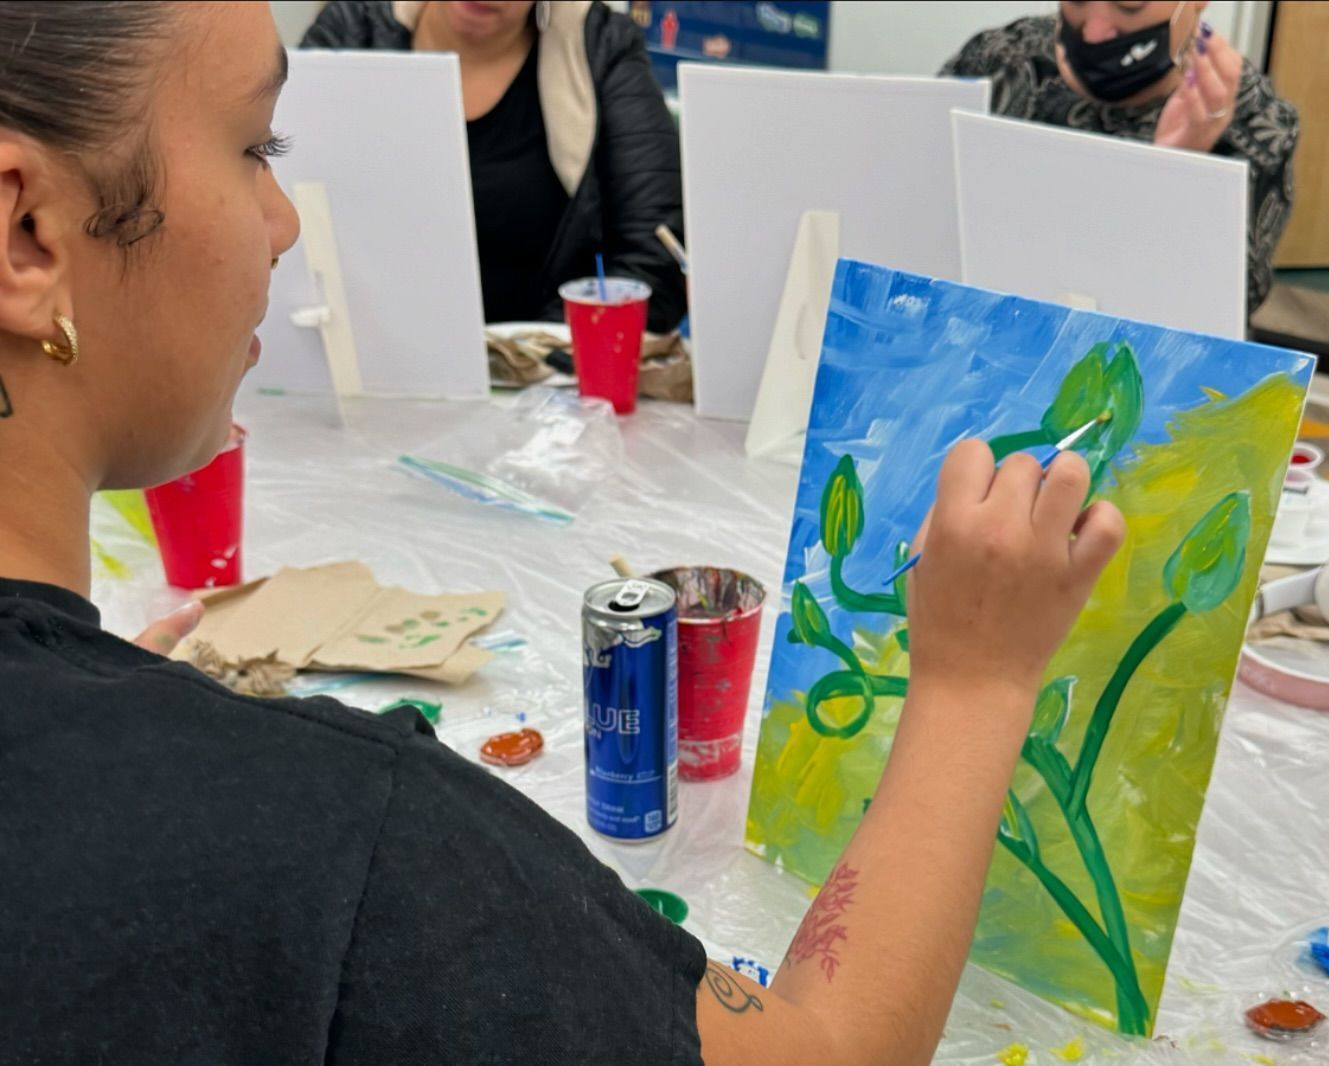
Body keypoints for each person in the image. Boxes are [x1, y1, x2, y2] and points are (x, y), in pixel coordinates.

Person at [0, 2, 1124, 1062]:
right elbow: (825, 1051)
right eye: (258, 147)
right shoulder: (348, 834)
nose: (288, 221)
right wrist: (977, 681)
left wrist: (114, 734)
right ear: (26, 234)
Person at [302, 0, 687, 333]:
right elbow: (275, 204)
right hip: (365, 361)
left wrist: (529, 351)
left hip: (542, 382)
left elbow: (658, 258)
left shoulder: (598, 46)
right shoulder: (354, 28)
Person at [943, 1, 1299, 314]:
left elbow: (1225, 311)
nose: (1096, 30)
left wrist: (1176, 174)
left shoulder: (1252, 120)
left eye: (1129, 4)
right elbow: (920, 189)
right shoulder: (1004, 60)